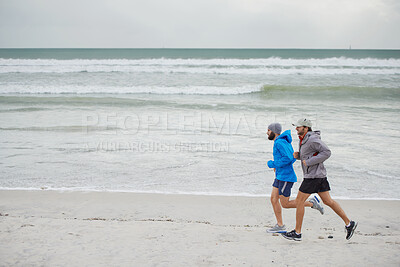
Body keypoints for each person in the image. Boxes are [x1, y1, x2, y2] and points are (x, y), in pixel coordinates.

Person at [281, 118, 358, 241]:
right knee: (328, 201)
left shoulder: (312, 139)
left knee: (299, 202)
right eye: (296, 126)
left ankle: (297, 232)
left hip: (313, 177)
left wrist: (309, 162)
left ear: (306, 128)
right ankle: (349, 223)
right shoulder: (303, 140)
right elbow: (310, 154)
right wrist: (299, 156)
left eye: (299, 127)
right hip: (318, 175)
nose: (296, 128)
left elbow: (326, 152)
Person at [266, 123, 324, 233]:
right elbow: (292, 157)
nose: (267, 132)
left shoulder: (280, 142)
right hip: (280, 176)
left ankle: (311, 203)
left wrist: (273, 164)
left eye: (268, 130)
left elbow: (288, 158)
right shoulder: (280, 142)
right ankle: (280, 225)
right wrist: (277, 167)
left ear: (274, 131)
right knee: (273, 199)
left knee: (285, 204)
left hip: (285, 178)